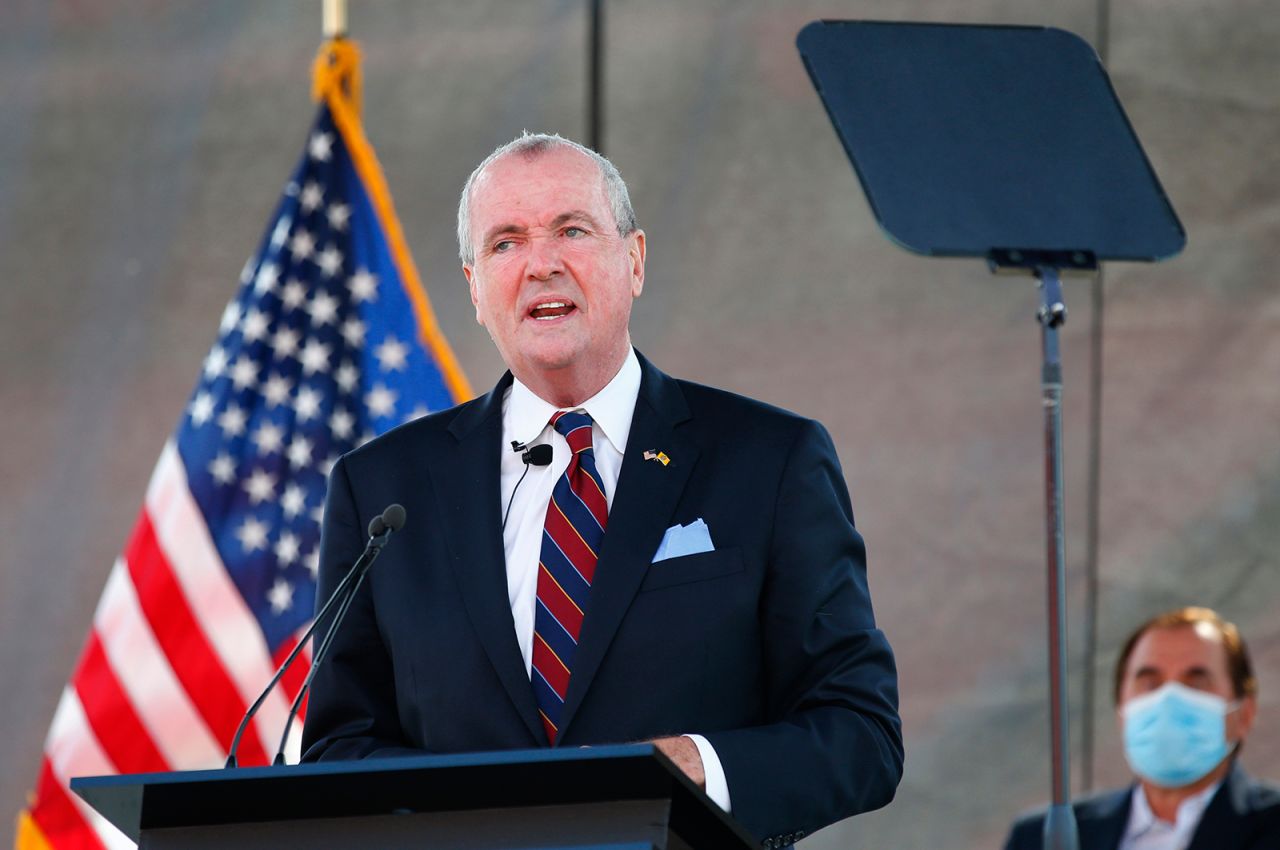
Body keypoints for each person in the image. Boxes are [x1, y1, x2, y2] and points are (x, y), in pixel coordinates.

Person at [300, 132, 903, 845]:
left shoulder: (771, 462)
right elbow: (341, 748)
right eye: (505, 243)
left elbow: (859, 731)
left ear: (635, 260)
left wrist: (698, 767)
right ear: (473, 289)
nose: (541, 264)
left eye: (571, 230)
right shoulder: (382, 492)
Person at [1004, 607, 1280, 850]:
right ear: (1121, 709)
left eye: (1196, 683)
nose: (1169, 698)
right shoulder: (1038, 839)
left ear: (1245, 713)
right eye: (1149, 683)